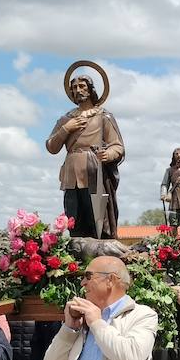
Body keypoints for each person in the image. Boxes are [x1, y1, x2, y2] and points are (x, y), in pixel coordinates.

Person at [45, 72, 124, 238]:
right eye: (74, 87)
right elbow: (52, 147)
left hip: (94, 170)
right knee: (74, 217)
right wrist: (67, 128)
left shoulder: (103, 116)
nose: (78, 90)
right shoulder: (66, 119)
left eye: (82, 86)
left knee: (98, 217)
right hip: (71, 173)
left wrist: (108, 154)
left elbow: (117, 145)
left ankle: (102, 247)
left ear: (90, 89)